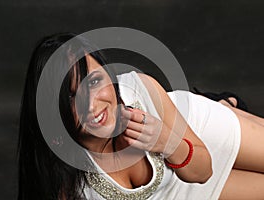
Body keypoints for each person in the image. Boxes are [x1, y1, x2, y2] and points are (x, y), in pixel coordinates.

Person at [18, 32, 264, 200]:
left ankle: (221, 106)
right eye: (71, 97)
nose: (92, 104)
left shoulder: (139, 89)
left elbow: (202, 171)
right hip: (180, 193)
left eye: (94, 81)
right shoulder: (63, 181)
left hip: (195, 131)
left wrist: (165, 140)